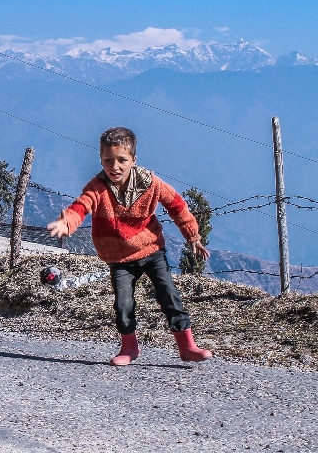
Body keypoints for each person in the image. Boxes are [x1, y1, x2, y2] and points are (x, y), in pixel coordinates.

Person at [47, 127, 213, 366]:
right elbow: (81, 206)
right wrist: (68, 222)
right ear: (101, 159)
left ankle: (187, 346)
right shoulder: (97, 187)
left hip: (151, 249)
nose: (115, 166)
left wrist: (193, 236)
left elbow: (177, 206)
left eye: (122, 160)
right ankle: (129, 347)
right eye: (108, 160)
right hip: (118, 257)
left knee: (169, 295)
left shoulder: (151, 183)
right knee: (124, 304)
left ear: (133, 160)